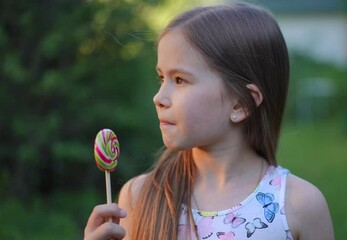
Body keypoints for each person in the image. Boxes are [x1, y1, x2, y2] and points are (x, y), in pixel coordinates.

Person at [84, 2, 334, 240]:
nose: (158, 97)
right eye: (162, 78)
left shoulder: (297, 207)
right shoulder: (138, 198)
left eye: (180, 80)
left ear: (240, 103)